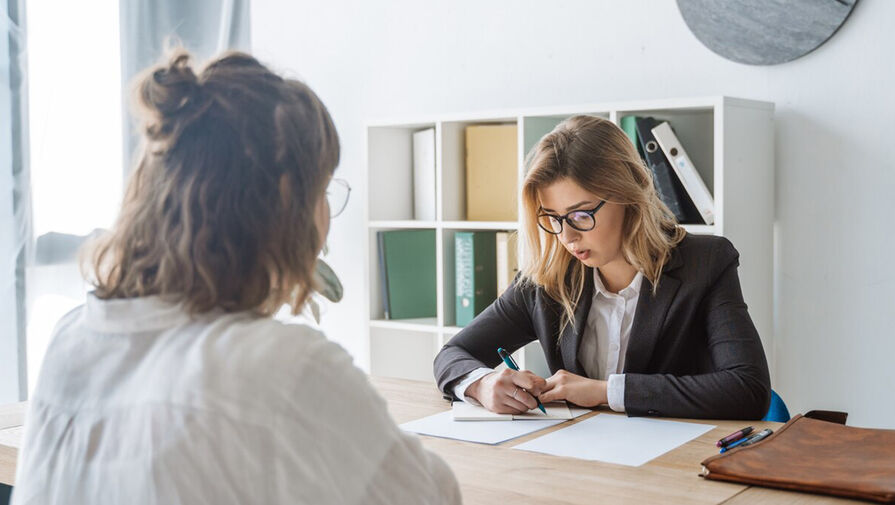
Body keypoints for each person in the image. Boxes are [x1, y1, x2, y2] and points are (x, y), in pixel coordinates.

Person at [13, 50, 460, 505]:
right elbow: (432, 496)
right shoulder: (283, 365)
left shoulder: (72, 336)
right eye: (321, 189)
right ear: (285, 201)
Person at [434, 115, 770, 420]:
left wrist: (604, 392)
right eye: (553, 218)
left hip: (675, 466)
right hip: (582, 464)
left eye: (581, 215)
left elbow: (747, 389)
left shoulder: (705, 263)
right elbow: (453, 354)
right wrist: (483, 383)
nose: (566, 236)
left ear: (628, 195)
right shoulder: (545, 279)